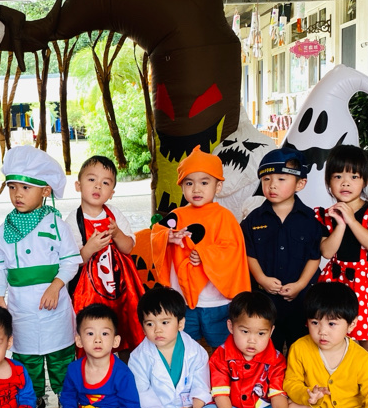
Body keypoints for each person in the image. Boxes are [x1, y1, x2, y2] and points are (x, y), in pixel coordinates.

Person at [0, 146, 81, 404]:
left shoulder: (56, 225)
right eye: (12, 187)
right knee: (26, 357)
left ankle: (67, 398)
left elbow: (71, 261)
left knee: (61, 356)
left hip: (55, 308)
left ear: (45, 191)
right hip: (21, 309)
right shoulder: (2, 232)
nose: (17, 194)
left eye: (25, 187)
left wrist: (55, 286)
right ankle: (32, 398)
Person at [197, 292, 312, 408]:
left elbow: (277, 394)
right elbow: (220, 395)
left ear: (271, 332)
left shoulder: (276, 359)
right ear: (231, 327)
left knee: (305, 406)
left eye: (261, 334)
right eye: (245, 332)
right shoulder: (220, 356)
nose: (252, 340)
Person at [148, 146, 251, 349]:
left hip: (217, 301)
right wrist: (168, 236)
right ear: (181, 186)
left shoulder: (225, 217)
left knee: (222, 347)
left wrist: (205, 254)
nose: (196, 189)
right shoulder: (177, 216)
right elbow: (155, 233)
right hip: (183, 300)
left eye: (204, 182)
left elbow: (233, 250)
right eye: (189, 183)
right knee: (184, 345)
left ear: (218, 186)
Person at [121, 287, 223, 408]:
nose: (157, 329)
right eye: (150, 324)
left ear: (180, 323)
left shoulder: (195, 351)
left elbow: (201, 383)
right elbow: (141, 390)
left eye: (165, 322)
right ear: (142, 327)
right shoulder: (139, 356)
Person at [316, 145, 368, 368]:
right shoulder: (326, 215)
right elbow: (326, 252)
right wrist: (340, 224)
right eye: (338, 176)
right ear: (328, 181)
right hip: (336, 280)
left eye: (354, 176)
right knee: (335, 334)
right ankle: (339, 379)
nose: (345, 183)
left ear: (364, 181)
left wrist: (351, 220)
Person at [242, 147, 324, 353]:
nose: (272, 185)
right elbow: (248, 253)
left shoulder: (311, 219)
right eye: (266, 179)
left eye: (281, 179)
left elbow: (315, 256)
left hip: (302, 300)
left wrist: (300, 284)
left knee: (302, 349)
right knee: (268, 351)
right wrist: (261, 279)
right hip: (264, 302)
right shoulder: (253, 219)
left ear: (300, 183)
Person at [64, 155, 145, 352]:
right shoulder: (73, 220)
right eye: (92, 179)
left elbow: (128, 247)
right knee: (94, 328)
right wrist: (89, 248)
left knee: (125, 325)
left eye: (105, 183)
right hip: (89, 291)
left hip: (121, 286)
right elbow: (72, 261)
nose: (98, 186)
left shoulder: (114, 214)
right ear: (78, 185)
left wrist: (117, 234)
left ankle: (127, 363)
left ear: (111, 193)